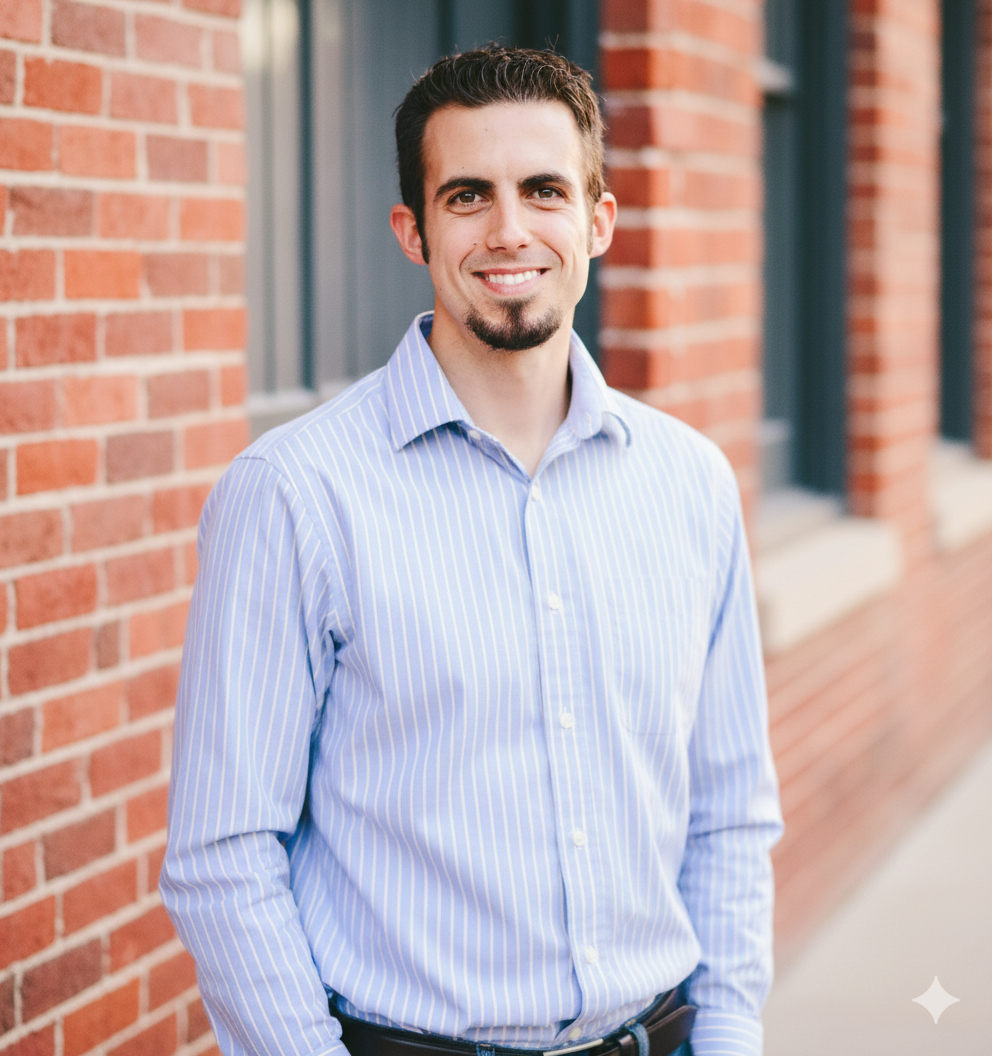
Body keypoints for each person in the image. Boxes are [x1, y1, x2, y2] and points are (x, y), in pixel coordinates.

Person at [161, 45, 782, 1056]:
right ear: (413, 229)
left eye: (542, 190)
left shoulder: (691, 485)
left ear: (597, 220)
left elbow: (729, 816)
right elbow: (221, 855)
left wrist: (728, 1036)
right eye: (465, 195)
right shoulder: (293, 495)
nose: (508, 231)